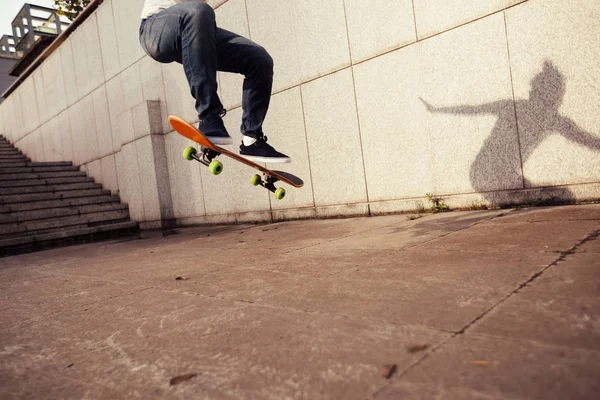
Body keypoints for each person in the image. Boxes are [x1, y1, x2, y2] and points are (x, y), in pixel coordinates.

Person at [138, 0, 290, 163]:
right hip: (155, 28)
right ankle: (209, 116)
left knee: (259, 60)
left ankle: (251, 140)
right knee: (199, 10)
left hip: (195, 28)